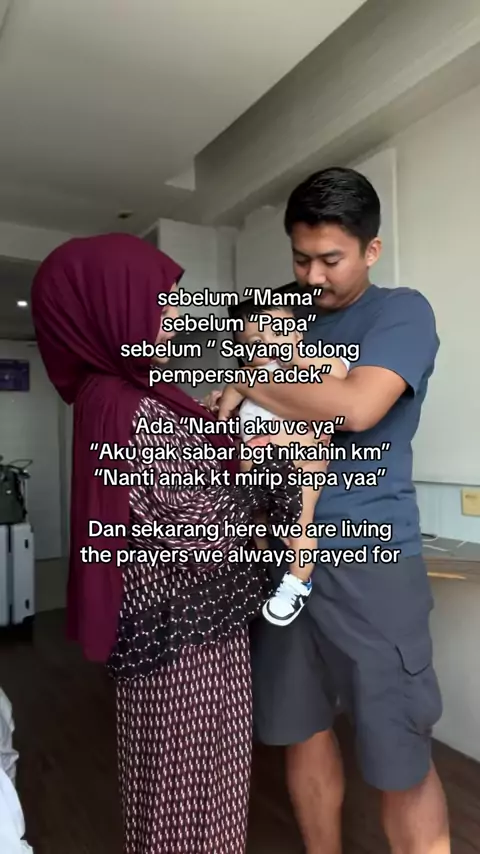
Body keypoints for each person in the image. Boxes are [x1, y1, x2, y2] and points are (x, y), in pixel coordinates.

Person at [30, 233, 305, 854]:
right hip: (184, 640)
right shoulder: (132, 407)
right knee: (191, 795)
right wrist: (279, 466)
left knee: (169, 789)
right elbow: (200, 528)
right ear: (113, 309)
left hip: (170, 626)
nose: (176, 314)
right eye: (162, 300)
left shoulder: (114, 397)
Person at [218, 167, 450, 854]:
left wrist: (255, 378)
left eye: (330, 259)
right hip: (281, 561)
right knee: (302, 728)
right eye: (300, 259)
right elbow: (235, 414)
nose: (312, 276)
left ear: (370, 250)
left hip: (371, 565)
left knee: (399, 749)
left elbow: (356, 406)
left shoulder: (401, 312)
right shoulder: (278, 316)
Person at [230, 300, 349, 626]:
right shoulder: (249, 378)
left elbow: (339, 372)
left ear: (297, 335)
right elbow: (226, 404)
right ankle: (261, 570)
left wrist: (296, 357)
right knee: (255, 518)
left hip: (302, 461)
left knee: (301, 520)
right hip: (257, 464)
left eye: (277, 332)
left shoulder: (308, 367)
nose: (268, 343)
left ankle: (297, 581)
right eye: (256, 341)